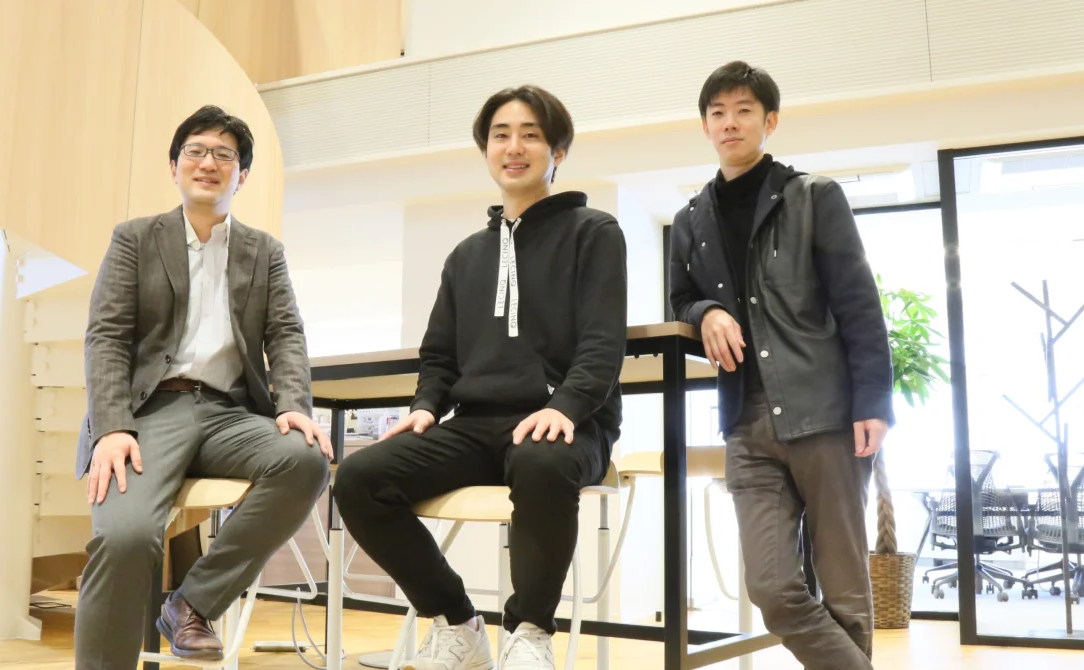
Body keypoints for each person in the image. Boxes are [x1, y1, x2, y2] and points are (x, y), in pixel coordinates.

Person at [333, 85, 628, 670]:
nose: (514, 147)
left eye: (530, 135)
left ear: (557, 153)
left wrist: (564, 407)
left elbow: (602, 344)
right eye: (501, 136)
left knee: (541, 462)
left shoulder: (594, 232)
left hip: (569, 424)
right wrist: (425, 406)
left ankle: (530, 633)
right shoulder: (466, 255)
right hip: (474, 425)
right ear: (486, 150)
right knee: (360, 479)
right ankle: (457, 622)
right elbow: (439, 354)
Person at [74, 105, 332, 669]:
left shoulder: (264, 251)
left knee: (305, 460)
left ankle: (192, 602)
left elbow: (286, 333)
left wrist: (293, 404)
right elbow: (106, 337)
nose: (208, 163)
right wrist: (112, 426)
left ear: (242, 174)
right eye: (195, 151)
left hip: (228, 413)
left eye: (224, 155)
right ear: (174, 167)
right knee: (125, 539)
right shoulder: (135, 238)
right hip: (148, 414)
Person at [667, 61, 893, 670]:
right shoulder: (690, 220)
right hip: (745, 422)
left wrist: (874, 401)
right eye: (717, 113)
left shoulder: (813, 197)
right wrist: (707, 310)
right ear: (705, 126)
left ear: (769, 122)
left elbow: (858, 302)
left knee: (844, 588)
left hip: (825, 411)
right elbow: (679, 298)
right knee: (770, 587)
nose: (729, 123)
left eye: (743, 111)